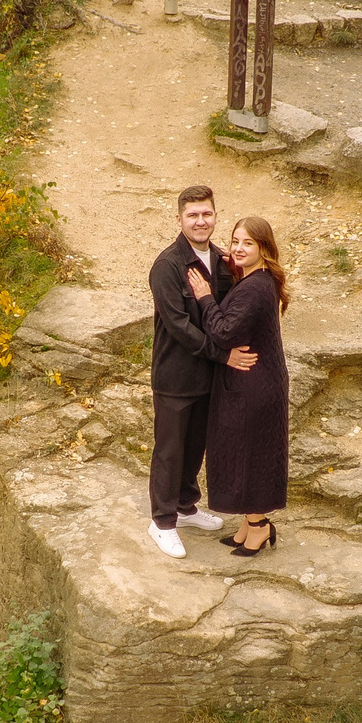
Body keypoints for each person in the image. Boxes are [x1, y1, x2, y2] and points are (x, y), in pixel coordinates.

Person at [144, 185, 250, 558]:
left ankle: (186, 507)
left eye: (206, 214)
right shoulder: (167, 266)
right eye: (193, 215)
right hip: (175, 377)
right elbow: (180, 328)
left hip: (209, 379)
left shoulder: (222, 260)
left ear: (215, 216)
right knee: (170, 451)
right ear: (179, 219)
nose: (200, 221)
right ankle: (162, 522)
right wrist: (224, 357)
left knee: (195, 448)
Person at [194, 214, 289, 557]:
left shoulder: (257, 287)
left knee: (252, 456)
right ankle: (250, 524)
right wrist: (230, 261)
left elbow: (222, 332)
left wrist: (205, 297)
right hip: (254, 383)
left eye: (248, 243)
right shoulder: (253, 279)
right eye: (235, 241)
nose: (238, 248)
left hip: (255, 388)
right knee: (244, 453)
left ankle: (260, 526)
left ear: (265, 249)